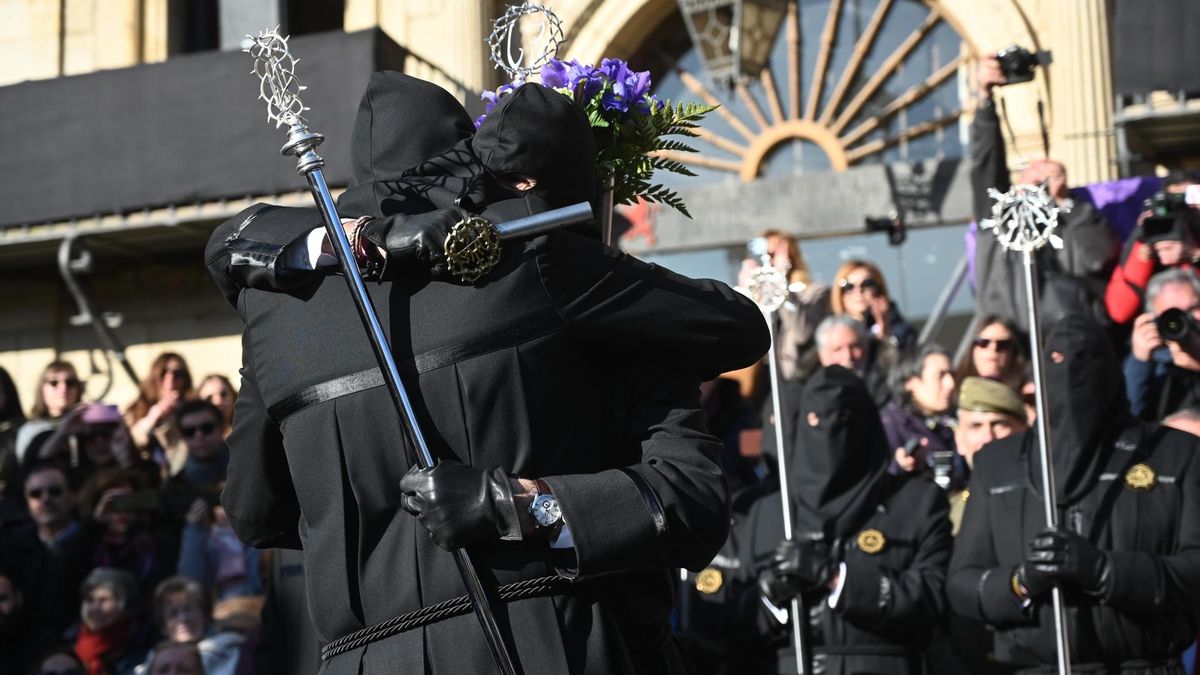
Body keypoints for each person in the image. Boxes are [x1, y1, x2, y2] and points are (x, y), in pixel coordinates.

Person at [204, 73, 769, 674]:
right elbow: (734, 330)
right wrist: (521, 503)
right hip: (544, 640)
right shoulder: (526, 257)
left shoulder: (271, 304)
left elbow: (253, 512)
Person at [948, 312, 1200, 672]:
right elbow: (963, 585)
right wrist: (1022, 581)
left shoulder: (1174, 454)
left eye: (1085, 360)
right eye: (1056, 361)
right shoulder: (999, 464)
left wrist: (1106, 571)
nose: (1069, 375)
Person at [727, 366, 951, 674]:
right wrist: (769, 595)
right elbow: (734, 622)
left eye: (843, 417)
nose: (828, 430)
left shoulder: (916, 503)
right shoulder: (769, 513)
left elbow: (932, 598)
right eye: (815, 418)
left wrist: (837, 578)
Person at [971, 56, 1119, 333]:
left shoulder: (1076, 217)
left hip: (1069, 337)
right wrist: (985, 100)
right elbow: (985, 163)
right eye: (1030, 176)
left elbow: (1097, 257)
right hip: (1012, 341)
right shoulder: (997, 223)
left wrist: (1064, 202)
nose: (1037, 187)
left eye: (1044, 179)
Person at [1106, 172, 1200, 326]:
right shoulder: (1147, 234)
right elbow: (1119, 312)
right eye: (1174, 203)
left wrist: (1195, 255)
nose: (1183, 211)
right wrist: (1143, 258)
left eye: (1189, 201)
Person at [880, 344, 963, 490]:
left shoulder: (953, 422)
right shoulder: (889, 426)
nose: (950, 384)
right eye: (940, 376)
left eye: (952, 375)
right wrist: (901, 466)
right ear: (911, 382)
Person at [950, 377, 1028, 532]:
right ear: (959, 440)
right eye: (975, 426)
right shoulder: (950, 511)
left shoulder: (1046, 500)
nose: (988, 438)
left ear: (1024, 432)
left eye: (999, 424)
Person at [1125, 268, 1200, 420]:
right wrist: (1140, 361)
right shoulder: (1156, 361)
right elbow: (1131, 416)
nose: (1186, 322)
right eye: (1174, 317)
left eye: (1193, 309)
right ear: (1155, 321)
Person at [139, 576, 246, 675]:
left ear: (205, 616)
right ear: (164, 626)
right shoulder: (152, 660)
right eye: (173, 613)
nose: (183, 619)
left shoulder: (231, 652)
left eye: (189, 610)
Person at [124, 353, 193, 478]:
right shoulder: (136, 409)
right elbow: (130, 444)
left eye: (177, 374)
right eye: (163, 373)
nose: (170, 380)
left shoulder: (192, 410)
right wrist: (153, 417)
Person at [74, 568, 154, 675]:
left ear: (125, 605)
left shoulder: (146, 648)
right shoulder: (72, 645)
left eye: (103, 600)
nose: (94, 608)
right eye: (90, 600)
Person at [830, 259, 916, 352]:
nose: (859, 291)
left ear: (878, 290)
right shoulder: (830, 330)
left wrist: (885, 333)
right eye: (849, 287)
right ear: (840, 295)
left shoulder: (895, 322)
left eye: (867, 284)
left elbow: (908, 347)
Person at [15, 361, 84, 468]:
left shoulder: (86, 423)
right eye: (54, 383)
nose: (63, 388)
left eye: (70, 382)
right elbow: (28, 466)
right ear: (42, 388)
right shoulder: (31, 429)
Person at [814, 315, 891, 406]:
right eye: (837, 349)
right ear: (822, 355)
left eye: (854, 346)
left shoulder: (888, 379)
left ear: (865, 346)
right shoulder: (809, 391)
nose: (848, 356)